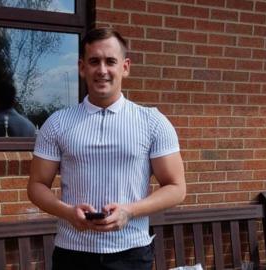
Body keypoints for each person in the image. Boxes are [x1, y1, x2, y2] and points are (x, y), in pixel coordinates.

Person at [28, 28, 186, 270]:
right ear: (82, 67)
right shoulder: (58, 123)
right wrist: (68, 212)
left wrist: (129, 211)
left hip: (131, 253)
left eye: (110, 61)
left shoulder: (152, 122)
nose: (102, 70)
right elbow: (36, 186)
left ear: (125, 66)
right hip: (72, 253)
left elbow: (176, 188)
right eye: (94, 61)